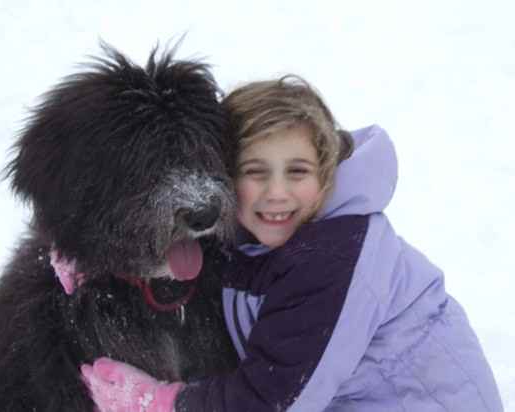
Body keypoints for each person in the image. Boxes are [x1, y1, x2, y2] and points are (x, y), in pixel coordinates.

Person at [80, 76, 504, 411]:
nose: (276, 193)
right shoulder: (267, 233)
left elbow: (275, 400)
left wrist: (159, 403)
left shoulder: (334, 257)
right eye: (255, 171)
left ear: (326, 174)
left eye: (297, 171)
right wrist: (98, 256)